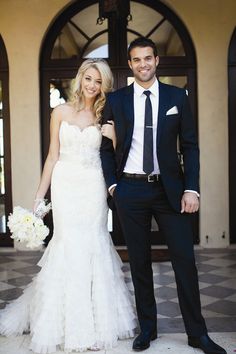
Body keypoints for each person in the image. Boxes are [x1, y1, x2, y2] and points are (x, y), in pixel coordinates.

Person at [0, 58, 136, 353]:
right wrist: (39, 197)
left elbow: (118, 157)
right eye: (89, 78)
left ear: (104, 86)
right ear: (80, 78)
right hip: (64, 185)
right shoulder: (59, 112)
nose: (92, 85)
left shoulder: (105, 115)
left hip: (93, 185)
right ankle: (63, 322)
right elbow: (52, 156)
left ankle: (98, 324)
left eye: (98, 81)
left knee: (93, 245)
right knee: (67, 245)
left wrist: (113, 139)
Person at [100, 37, 226, 354]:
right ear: (129, 65)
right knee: (139, 263)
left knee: (185, 261)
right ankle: (149, 330)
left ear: (157, 60)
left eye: (148, 58)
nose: (142, 64)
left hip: (170, 190)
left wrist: (191, 188)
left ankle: (197, 334)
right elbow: (105, 149)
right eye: (136, 60)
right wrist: (114, 187)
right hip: (130, 190)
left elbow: (191, 146)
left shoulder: (176, 97)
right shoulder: (116, 100)